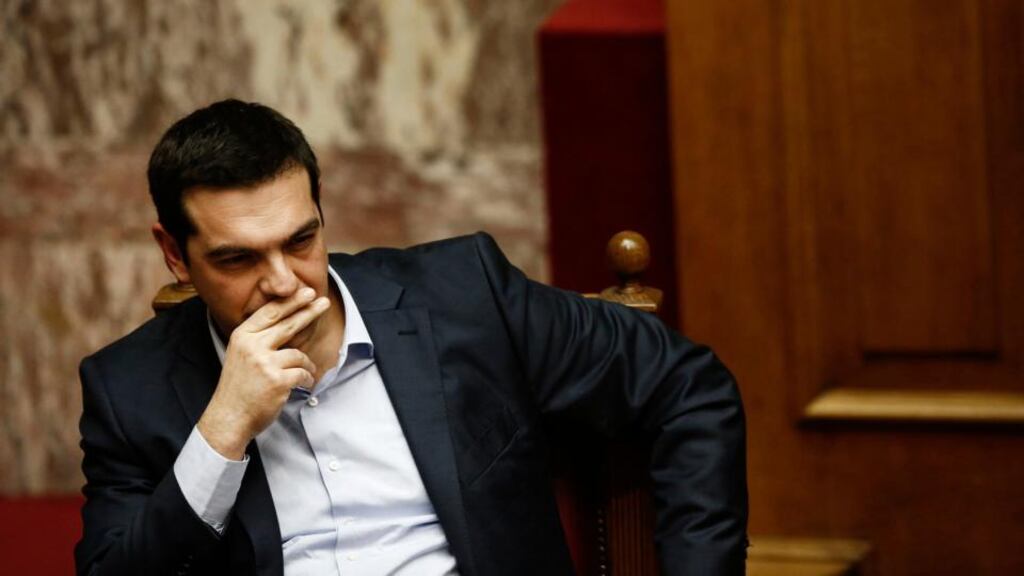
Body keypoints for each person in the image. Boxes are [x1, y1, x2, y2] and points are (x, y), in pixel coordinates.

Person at [76, 99, 747, 576]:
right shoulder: (128, 389)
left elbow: (687, 385)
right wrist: (223, 429)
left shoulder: (466, 296)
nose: (282, 283)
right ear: (174, 253)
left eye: (301, 241)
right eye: (237, 259)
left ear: (319, 205)